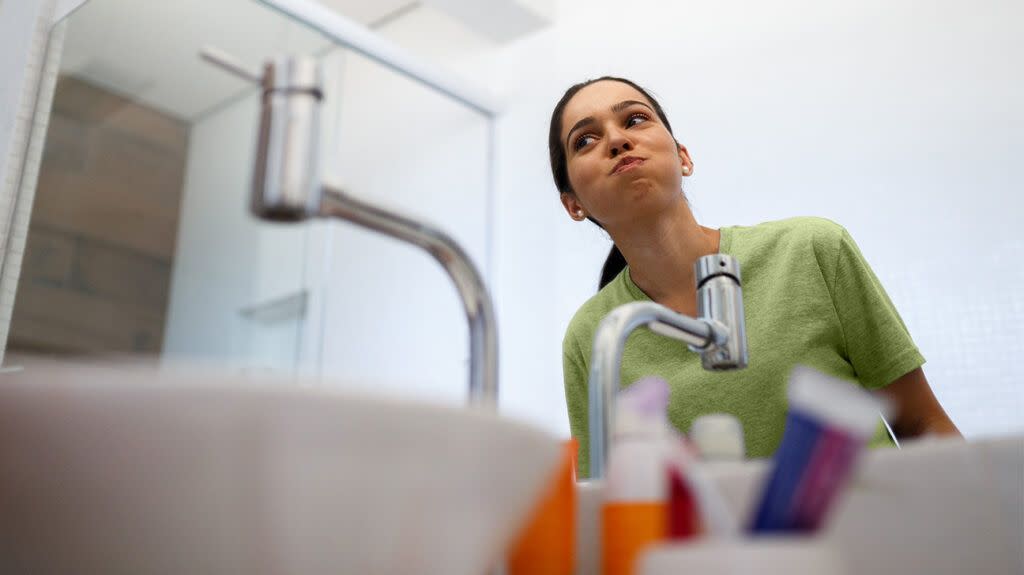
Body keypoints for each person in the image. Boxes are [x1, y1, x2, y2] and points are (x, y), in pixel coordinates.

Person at [550, 77, 961, 478]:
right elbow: (604, 500)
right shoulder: (595, 337)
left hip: (876, 542)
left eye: (635, 120)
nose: (617, 141)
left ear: (684, 157)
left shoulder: (812, 249)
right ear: (574, 205)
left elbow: (923, 425)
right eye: (585, 140)